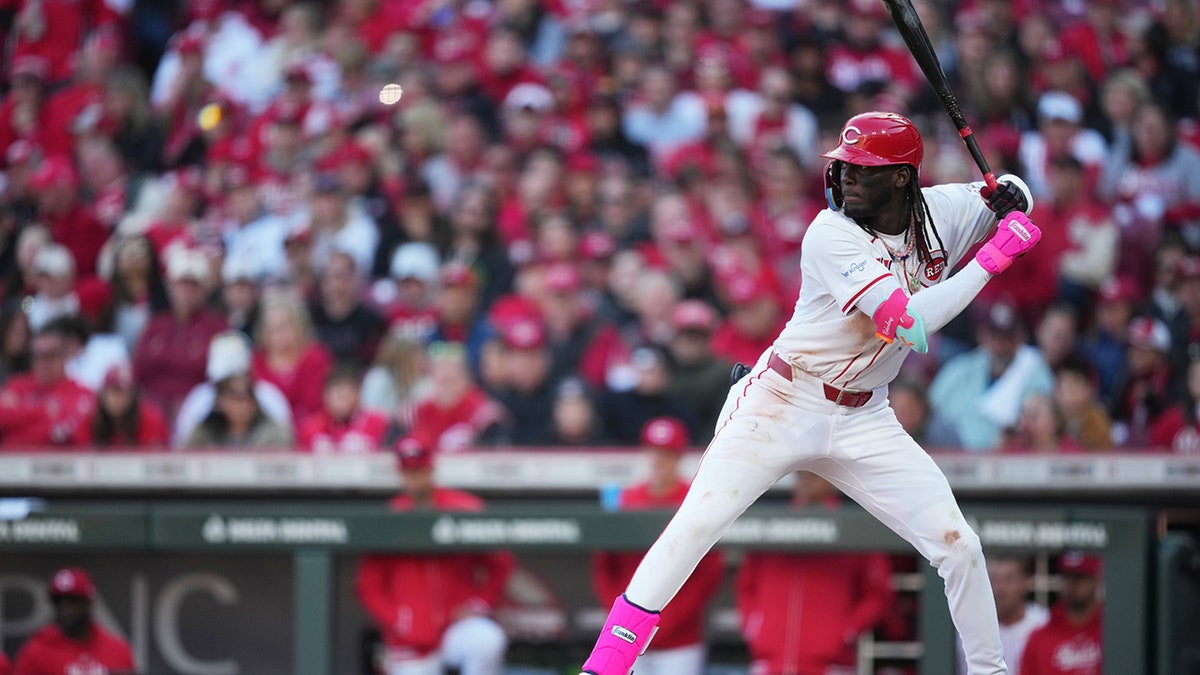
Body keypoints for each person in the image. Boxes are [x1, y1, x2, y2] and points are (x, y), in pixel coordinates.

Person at [576, 111, 1042, 675]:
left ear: (901, 178)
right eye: (842, 166)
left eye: (862, 169)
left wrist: (1012, 197)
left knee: (958, 545)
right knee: (696, 525)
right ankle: (603, 668)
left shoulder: (945, 210)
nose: (845, 176)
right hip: (783, 400)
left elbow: (1012, 192)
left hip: (866, 414)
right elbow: (910, 327)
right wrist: (990, 261)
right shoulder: (829, 233)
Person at [355, 436, 514, 675]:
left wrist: (478, 603)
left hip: (456, 626)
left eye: (420, 471)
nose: (415, 479)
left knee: (487, 640)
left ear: (431, 469)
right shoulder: (390, 518)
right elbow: (369, 587)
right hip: (410, 639)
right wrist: (399, 619)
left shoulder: (461, 507)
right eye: (409, 473)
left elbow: (500, 562)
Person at [591, 418, 724, 675]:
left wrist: (669, 621)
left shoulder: (695, 498)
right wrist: (620, 616)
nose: (659, 460)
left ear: (679, 456)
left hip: (679, 640)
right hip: (626, 636)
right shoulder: (627, 499)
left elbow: (710, 571)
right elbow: (604, 563)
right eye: (654, 451)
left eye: (667, 453)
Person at [737, 472, 894, 675]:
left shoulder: (853, 526)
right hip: (770, 664)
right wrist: (754, 627)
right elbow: (746, 585)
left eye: (815, 471)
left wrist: (846, 631)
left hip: (830, 666)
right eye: (801, 471)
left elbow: (878, 594)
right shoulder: (773, 521)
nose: (806, 477)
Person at [929, 301, 1055, 451]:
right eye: (995, 336)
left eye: (1007, 338)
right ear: (982, 335)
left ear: (1019, 337)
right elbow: (931, 404)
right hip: (954, 454)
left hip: (1007, 456)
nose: (1000, 345)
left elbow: (1040, 418)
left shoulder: (1034, 370)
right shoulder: (963, 367)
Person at [12, 568, 136, 675]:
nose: (65, 609)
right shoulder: (36, 652)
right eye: (59, 602)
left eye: (73, 601)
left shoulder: (117, 649)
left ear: (88, 602)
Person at [0, 322, 94, 449]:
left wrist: (19, 416)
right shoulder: (16, 385)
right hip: (12, 465)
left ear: (65, 355)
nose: (42, 362)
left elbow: (68, 436)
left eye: (50, 355)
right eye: (37, 356)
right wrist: (45, 410)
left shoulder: (82, 394)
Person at [956, 556, 1050, 675]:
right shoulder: (967, 629)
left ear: (1025, 582)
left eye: (1008, 580)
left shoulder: (1043, 623)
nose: (1000, 589)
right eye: (994, 579)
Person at [1020, 552, 1103, 675]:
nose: (1073, 584)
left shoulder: (1110, 632)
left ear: (1095, 580)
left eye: (1080, 577)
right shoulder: (1039, 639)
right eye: (1067, 576)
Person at [73, 362, 169, 448]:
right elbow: (80, 453)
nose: (116, 399)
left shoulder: (150, 419)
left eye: (121, 392)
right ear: (103, 394)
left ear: (133, 395)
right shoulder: (90, 419)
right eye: (112, 392)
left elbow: (154, 458)